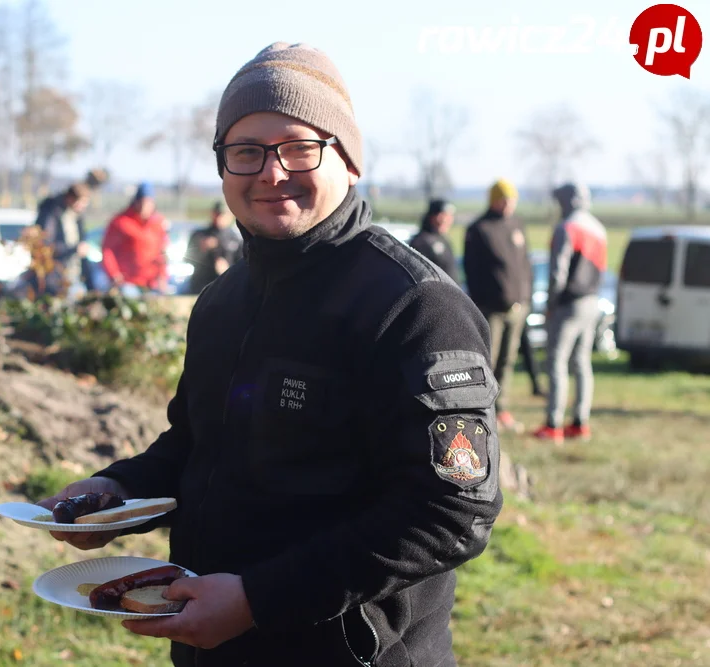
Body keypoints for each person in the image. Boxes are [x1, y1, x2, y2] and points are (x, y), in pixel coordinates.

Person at [38, 42, 502, 667]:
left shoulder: (414, 305)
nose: (270, 172)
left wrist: (259, 599)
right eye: (246, 151)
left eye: (299, 148)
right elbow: (198, 445)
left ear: (348, 159)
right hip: (210, 644)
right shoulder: (222, 302)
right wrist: (116, 489)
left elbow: (451, 508)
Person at [533, 182, 607, 443]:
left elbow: (557, 273)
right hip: (592, 301)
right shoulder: (599, 229)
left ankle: (553, 424)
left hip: (569, 304)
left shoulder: (566, 228)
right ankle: (580, 422)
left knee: (556, 362)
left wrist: (550, 304)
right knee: (582, 362)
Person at [463, 179, 533, 433]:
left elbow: (526, 263)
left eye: (512, 200)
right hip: (490, 309)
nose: (508, 205)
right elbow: (472, 271)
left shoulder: (517, 225)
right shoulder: (480, 229)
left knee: (508, 360)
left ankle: (501, 408)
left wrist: (527, 297)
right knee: (487, 362)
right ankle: (482, 409)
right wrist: (481, 301)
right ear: (493, 199)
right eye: (504, 199)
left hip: (518, 307)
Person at [101, 182, 169, 294]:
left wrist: (162, 276)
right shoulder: (121, 222)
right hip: (128, 283)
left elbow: (162, 252)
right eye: (141, 202)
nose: (144, 207)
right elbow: (108, 250)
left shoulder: (158, 223)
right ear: (135, 202)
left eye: (148, 203)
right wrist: (113, 274)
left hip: (151, 283)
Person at [34, 182, 91, 295]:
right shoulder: (52, 213)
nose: (82, 207)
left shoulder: (76, 217)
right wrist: (74, 249)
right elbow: (47, 246)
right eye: (80, 203)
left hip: (74, 275)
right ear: (70, 198)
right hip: (55, 277)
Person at [183, 200, 243, 294]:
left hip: (227, 288)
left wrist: (229, 269)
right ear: (212, 214)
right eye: (217, 214)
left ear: (231, 216)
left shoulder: (236, 238)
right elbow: (188, 259)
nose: (219, 217)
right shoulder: (199, 235)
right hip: (201, 287)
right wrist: (202, 249)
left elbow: (243, 265)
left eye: (223, 214)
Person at [409, 198, 460, 284]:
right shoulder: (421, 242)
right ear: (433, 217)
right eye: (444, 216)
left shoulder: (444, 239)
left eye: (449, 216)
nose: (447, 220)